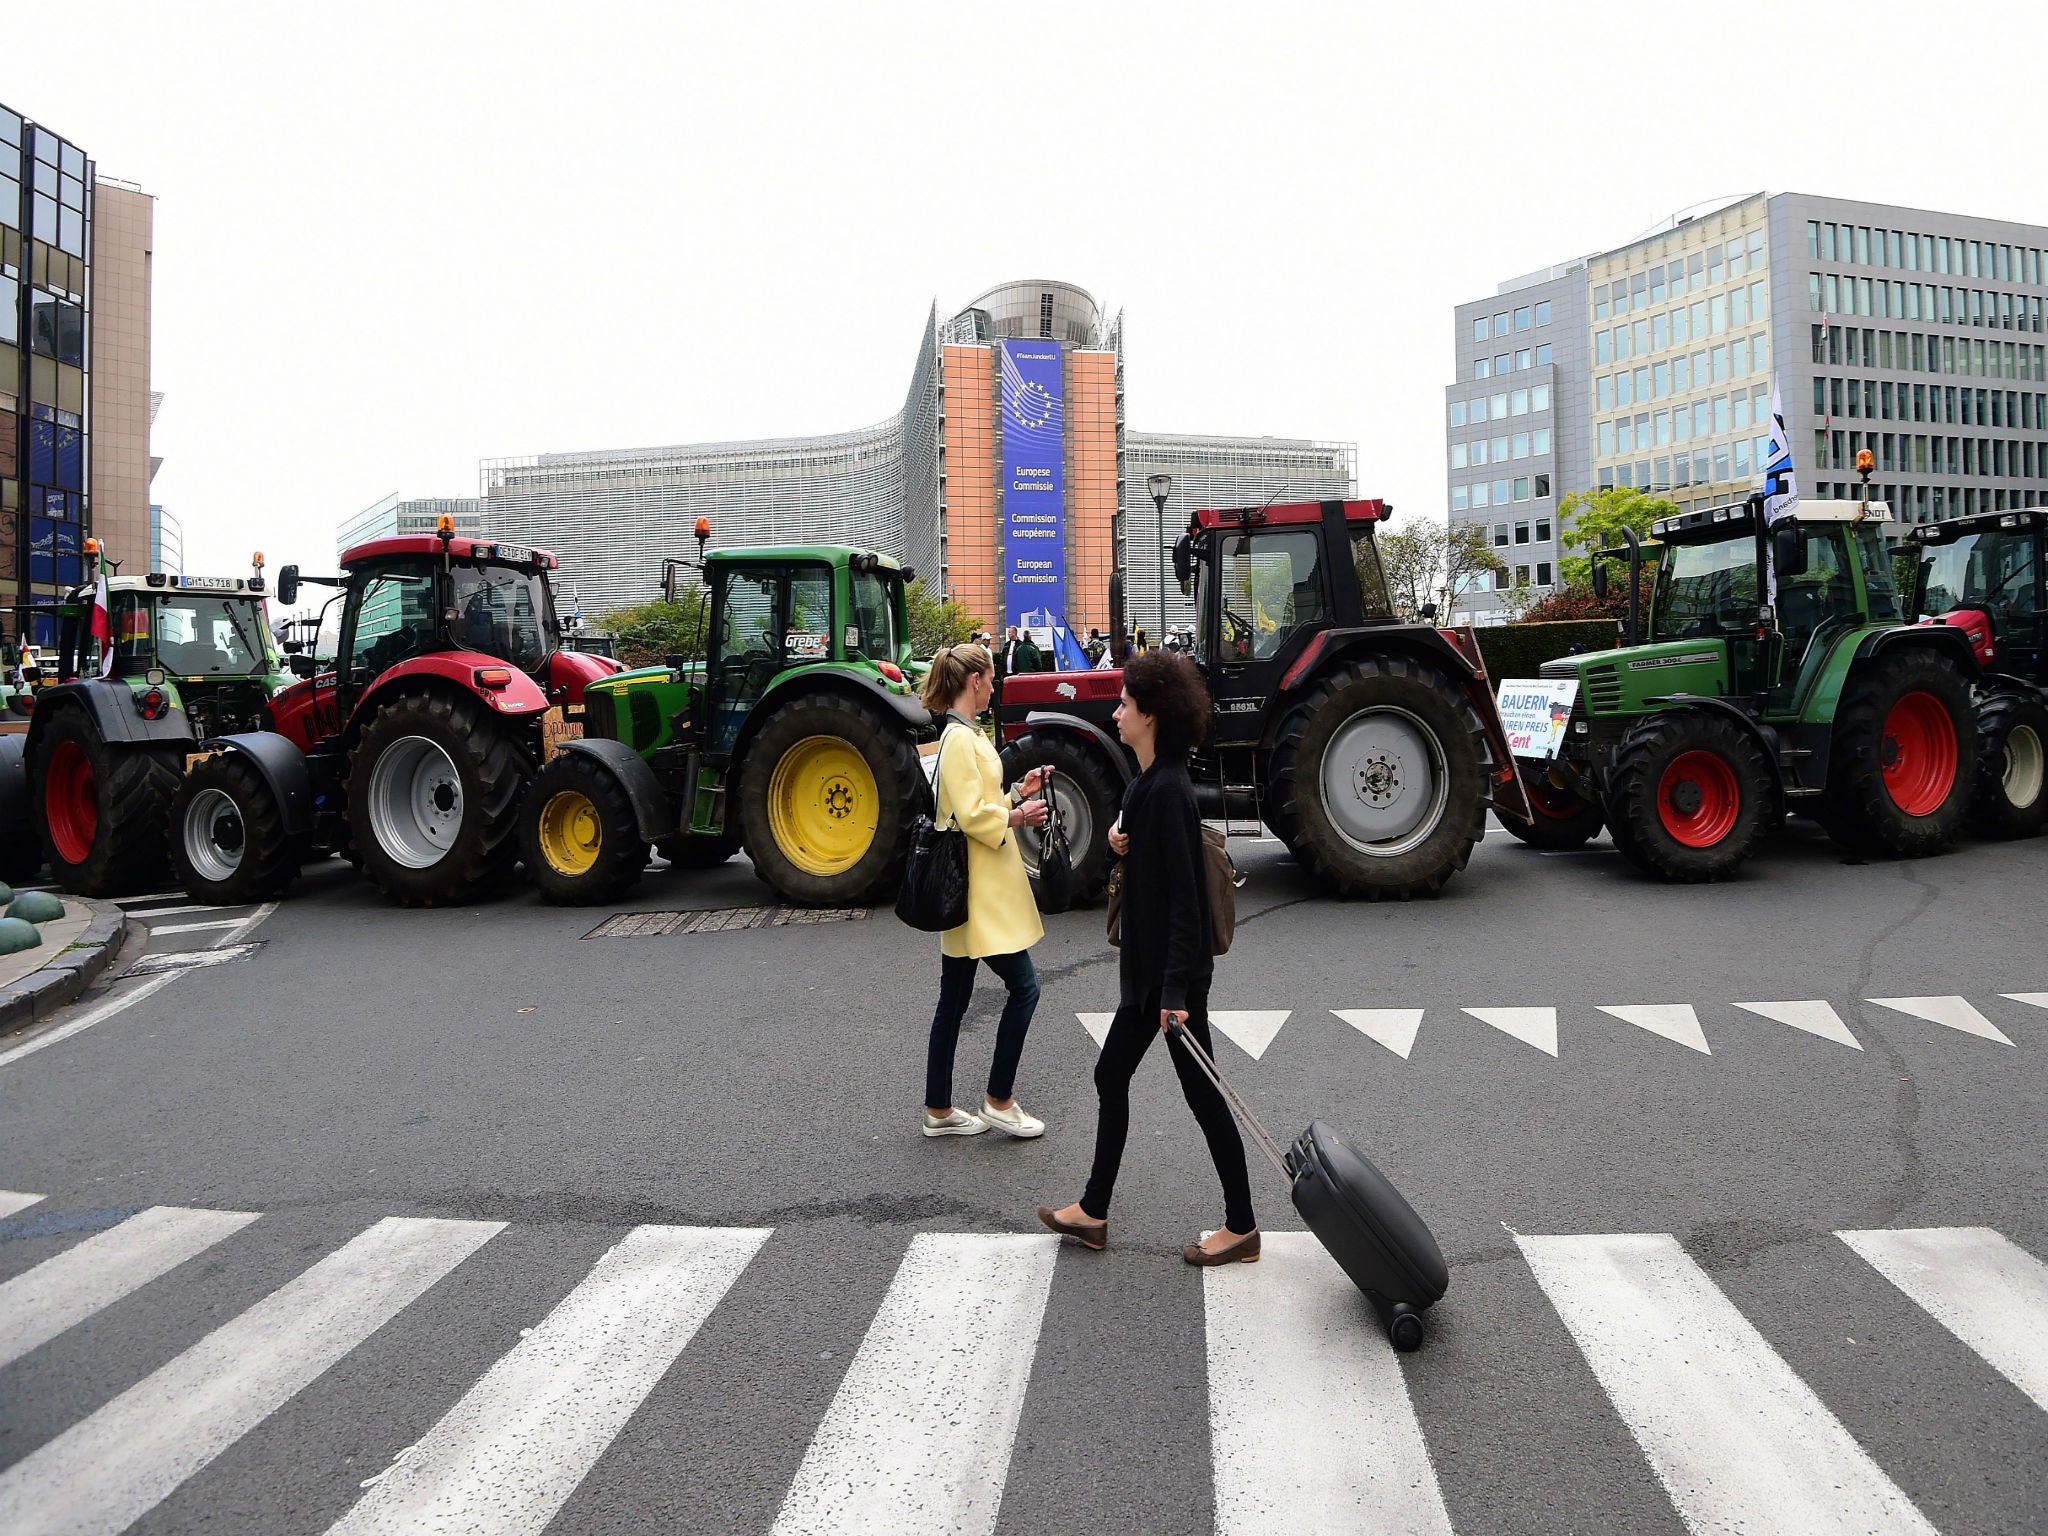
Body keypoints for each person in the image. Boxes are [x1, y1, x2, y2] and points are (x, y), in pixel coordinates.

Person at [1038, 650, 1258, 1266]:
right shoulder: (1147, 786)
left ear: (1152, 715)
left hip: (1168, 980)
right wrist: (1114, 840)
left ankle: (1240, 1225)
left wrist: (1174, 995)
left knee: (1202, 1095)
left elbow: (1186, 903)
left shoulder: (1167, 793)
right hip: (1152, 975)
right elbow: (1146, 870)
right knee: (1121, 1079)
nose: (1116, 711)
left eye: (1126, 704)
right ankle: (1093, 1211)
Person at [919, 643, 1055, 1140]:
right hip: (978, 893)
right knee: (1025, 988)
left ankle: (939, 1109)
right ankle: (999, 1099)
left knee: (953, 1001)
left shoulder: (960, 734)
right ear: (974, 681)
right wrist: (1017, 816)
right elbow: (974, 816)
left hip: (972, 890)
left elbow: (976, 802)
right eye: (992, 677)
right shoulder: (959, 738)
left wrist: (1019, 791)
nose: (995, 685)